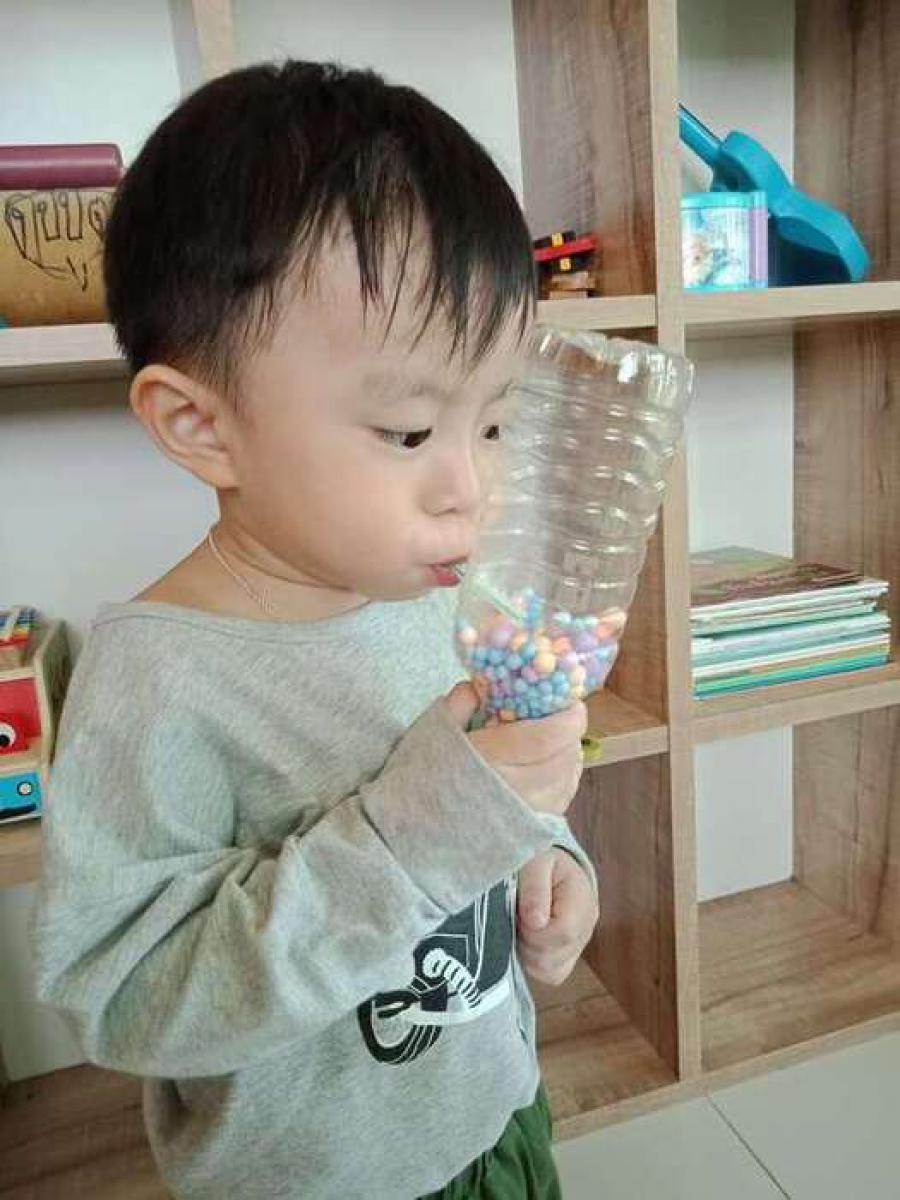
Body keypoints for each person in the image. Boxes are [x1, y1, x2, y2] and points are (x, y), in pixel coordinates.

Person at [32, 60, 599, 1199]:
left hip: (496, 1115)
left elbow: (488, 806)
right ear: (201, 426)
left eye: (494, 423)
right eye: (408, 432)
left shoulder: (438, 597)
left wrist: (549, 858)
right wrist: (427, 833)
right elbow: (126, 1000)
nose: (472, 488)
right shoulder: (159, 679)